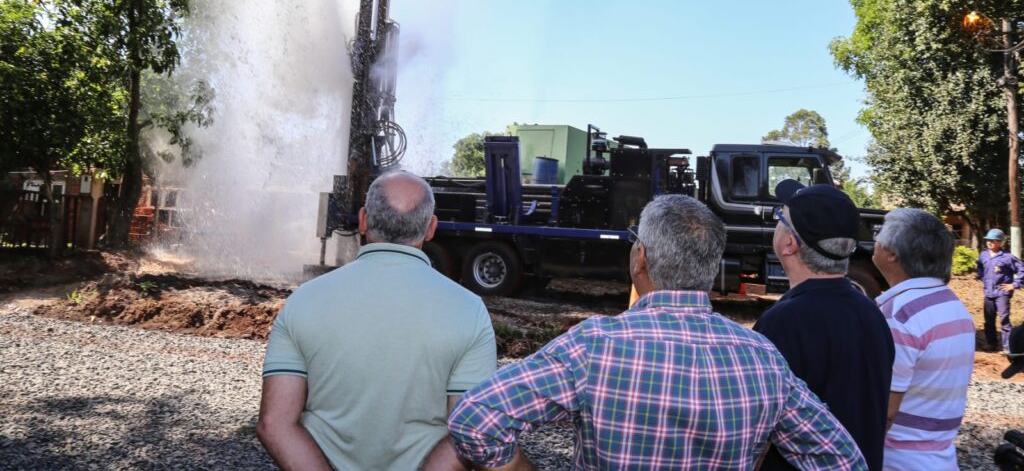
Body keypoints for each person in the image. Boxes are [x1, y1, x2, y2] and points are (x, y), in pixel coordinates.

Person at [423, 194, 867, 471]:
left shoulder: (593, 346)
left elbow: (474, 419)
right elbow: (841, 458)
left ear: (640, 258)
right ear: (712, 270)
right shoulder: (764, 358)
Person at [256, 170, 496, 470]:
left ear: (363, 220)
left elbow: (274, 423)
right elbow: (469, 432)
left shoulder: (303, 302)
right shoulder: (469, 311)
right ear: (431, 228)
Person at [753, 180, 894, 471]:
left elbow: (757, 428)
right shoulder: (872, 313)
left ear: (789, 243)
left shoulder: (783, 323)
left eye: (781, 217)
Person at [872, 208, 975, 471]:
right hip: (940, 454)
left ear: (892, 253)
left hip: (897, 458)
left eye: (878, 236)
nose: (874, 241)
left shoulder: (898, 315)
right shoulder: (952, 305)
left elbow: (887, 411)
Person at [977, 228, 1024, 352]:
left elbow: (1021, 269)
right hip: (988, 293)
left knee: (1004, 320)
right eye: (988, 240)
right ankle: (991, 344)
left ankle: (1007, 347)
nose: (989, 242)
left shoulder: (1008, 258)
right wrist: (982, 277)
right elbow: (980, 267)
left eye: (993, 240)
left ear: (1000, 242)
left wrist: (1015, 284)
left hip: (1002, 293)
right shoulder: (983, 255)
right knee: (989, 320)